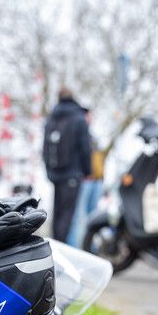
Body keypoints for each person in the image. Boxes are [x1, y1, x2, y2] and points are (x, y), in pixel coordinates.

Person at [43, 87, 92, 242]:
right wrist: (87, 170)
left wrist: (49, 172)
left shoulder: (51, 118)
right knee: (68, 216)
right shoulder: (78, 117)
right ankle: (63, 250)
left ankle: (55, 249)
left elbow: (44, 147)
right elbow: (85, 147)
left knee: (57, 214)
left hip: (56, 174)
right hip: (73, 173)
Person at [67, 108, 105, 247]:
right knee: (77, 218)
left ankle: (91, 247)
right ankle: (75, 248)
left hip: (96, 180)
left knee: (93, 218)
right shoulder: (75, 135)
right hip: (83, 181)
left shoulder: (92, 137)